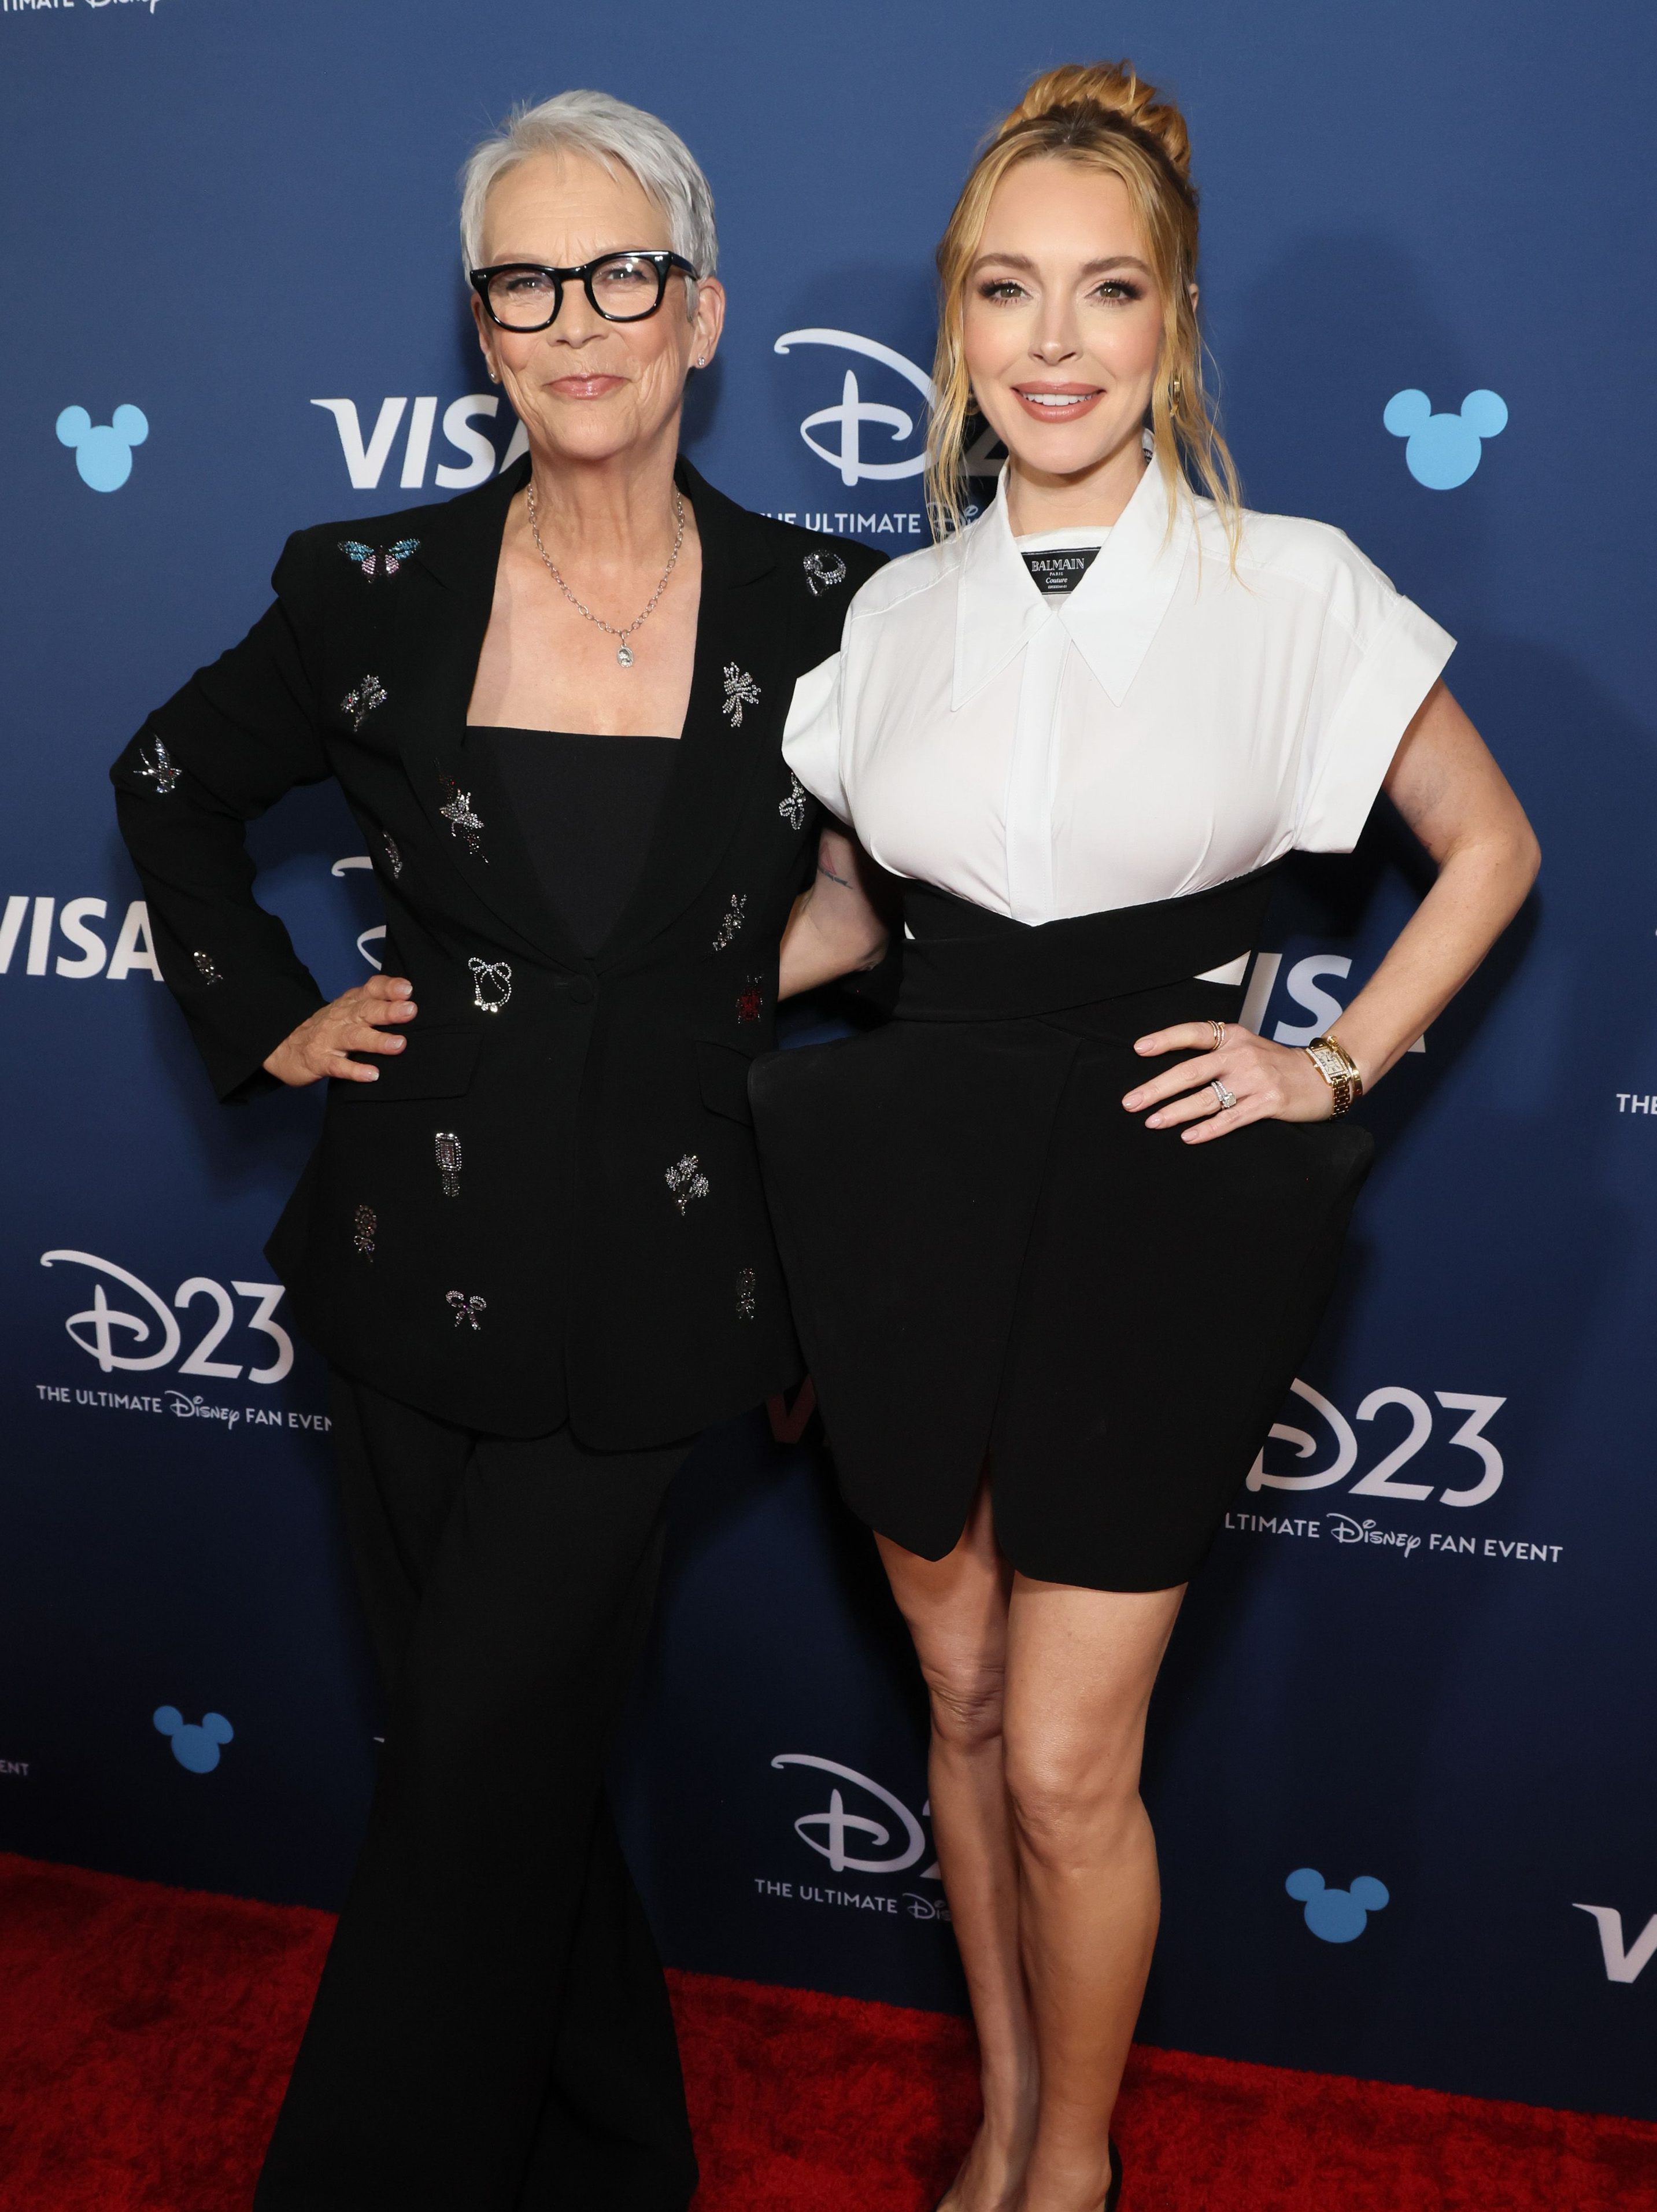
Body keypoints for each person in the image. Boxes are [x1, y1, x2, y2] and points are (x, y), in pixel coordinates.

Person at [759, 61, 1539, 2212]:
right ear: (956, 328)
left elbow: (1487, 848)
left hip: (1158, 1193)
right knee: (964, 1691)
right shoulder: (888, 619)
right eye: (1006, 292)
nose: (1053, 341)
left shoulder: (1290, 584)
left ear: (1172, 323)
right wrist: (672, 986)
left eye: (1105, 293)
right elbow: (849, 913)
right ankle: (1001, 2121)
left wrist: (1335, 1060)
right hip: (912, 1183)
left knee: (1074, 1755)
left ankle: (1076, 2172)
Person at [112, 88, 879, 2212]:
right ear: (481, 326)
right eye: (525, 281)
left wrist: (756, 1002)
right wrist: (264, 1013)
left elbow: (919, 913)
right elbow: (167, 779)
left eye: (621, 272)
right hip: (395, 1278)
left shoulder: (832, 609)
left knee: (468, 1777)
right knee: (501, 1780)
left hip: (661, 1298)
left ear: (700, 311)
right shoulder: (366, 587)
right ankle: (621, 2156)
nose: (576, 319)